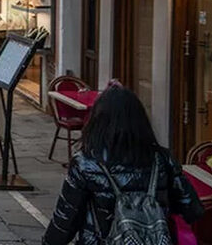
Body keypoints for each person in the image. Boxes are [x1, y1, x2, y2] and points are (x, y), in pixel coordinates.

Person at [42, 85, 203, 245]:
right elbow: (192, 209)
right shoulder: (161, 158)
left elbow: (65, 220)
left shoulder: (85, 163)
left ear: (98, 120)